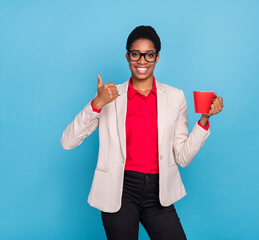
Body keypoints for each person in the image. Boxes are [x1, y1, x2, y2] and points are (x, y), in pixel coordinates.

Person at [61, 25, 223, 240]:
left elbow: (183, 158)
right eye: (136, 54)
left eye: (149, 55)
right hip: (120, 190)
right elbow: (68, 141)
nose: (142, 61)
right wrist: (97, 103)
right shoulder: (110, 96)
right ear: (128, 56)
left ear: (157, 58)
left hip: (159, 192)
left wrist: (204, 120)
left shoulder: (175, 97)